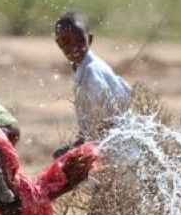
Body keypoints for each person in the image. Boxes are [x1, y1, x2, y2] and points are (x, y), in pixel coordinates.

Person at [53, 11, 132, 157]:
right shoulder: (82, 68)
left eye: (79, 40)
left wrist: (80, 147)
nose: (74, 47)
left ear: (89, 39)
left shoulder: (92, 73)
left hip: (119, 147)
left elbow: (108, 122)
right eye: (66, 42)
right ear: (59, 44)